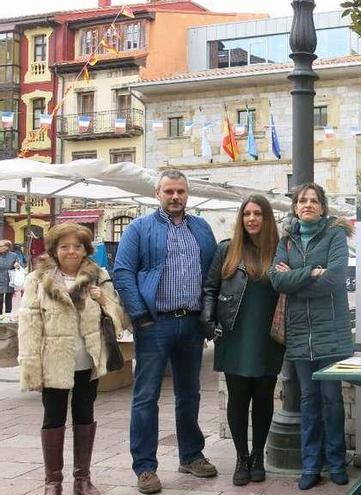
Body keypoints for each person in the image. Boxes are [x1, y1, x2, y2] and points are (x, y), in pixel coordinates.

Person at [113, 169, 218, 494]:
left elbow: (213, 273)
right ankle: (145, 467)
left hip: (191, 322)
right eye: (169, 191)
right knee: (146, 396)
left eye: (181, 192)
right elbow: (122, 271)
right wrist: (139, 313)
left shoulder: (201, 228)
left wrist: (209, 316)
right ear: (157, 194)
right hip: (154, 323)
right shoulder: (140, 228)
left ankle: (191, 454)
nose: (176, 197)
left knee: (190, 393)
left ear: (188, 194)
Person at [18, 224, 130, 495]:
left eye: (77, 246)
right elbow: (29, 322)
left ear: (85, 249)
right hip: (53, 361)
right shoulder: (38, 279)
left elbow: (119, 317)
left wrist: (103, 298)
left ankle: (82, 479)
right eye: (64, 246)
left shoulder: (98, 275)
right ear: (55, 250)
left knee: (84, 415)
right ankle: (53, 483)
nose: (71, 251)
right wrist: (31, 365)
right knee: (53, 417)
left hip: (87, 361)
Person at [268, 182, 354, 490]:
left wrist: (298, 278)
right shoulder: (287, 240)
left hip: (330, 330)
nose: (308, 204)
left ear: (322, 207)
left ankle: (336, 462)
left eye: (314, 200)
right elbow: (276, 279)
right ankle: (310, 466)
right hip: (300, 334)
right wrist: (310, 272)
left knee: (331, 400)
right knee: (308, 401)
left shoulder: (335, 235)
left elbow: (334, 279)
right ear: (295, 207)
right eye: (302, 200)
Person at [201, 195, 284, 486]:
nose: (252, 218)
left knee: (263, 398)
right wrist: (209, 324)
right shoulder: (226, 249)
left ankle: (258, 456)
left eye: (258, 213)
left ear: (267, 218)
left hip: (268, 338)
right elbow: (210, 288)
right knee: (237, 399)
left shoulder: (279, 251)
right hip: (234, 335)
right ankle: (241, 457)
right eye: (247, 213)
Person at [0, 239, 21, 313]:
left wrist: (17, 265)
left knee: (9, 299)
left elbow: (19, 264)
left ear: (7, 247)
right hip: (0, 279)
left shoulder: (13, 255)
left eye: (1, 246)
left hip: (10, 280)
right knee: (0, 299)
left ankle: (8, 316)